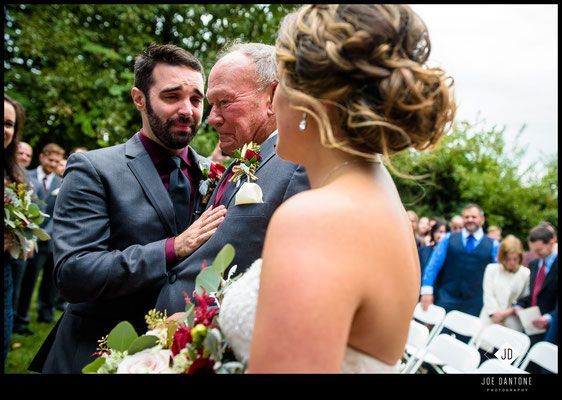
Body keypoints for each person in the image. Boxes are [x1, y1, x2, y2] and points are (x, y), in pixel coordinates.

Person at [215, 4, 456, 372]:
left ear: (310, 97)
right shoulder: (378, 193)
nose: (274, 99)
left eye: (281, 83)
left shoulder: (320, 218)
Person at [30, 43, 227, 373]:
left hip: (180, 351)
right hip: (95, 351)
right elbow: (74, 273)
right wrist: (172, 248)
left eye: (195, 99)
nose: (187, 110)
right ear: (139, 98)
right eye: (171, 96)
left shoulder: (216, 173)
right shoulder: (93, 168)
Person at [156, 42, 310, 314]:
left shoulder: (298, 167)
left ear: (272, 98)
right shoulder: (243, 160)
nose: (212, 118)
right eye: (211, 104)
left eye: (224, 102)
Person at [421, 203, 500, 316]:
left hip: (475, 303)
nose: (470, 220)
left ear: (482, 219)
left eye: (473, 217)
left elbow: (496, 276)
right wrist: (426, 291)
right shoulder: (449, 238)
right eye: (466, 217)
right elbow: (433, 265)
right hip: (446, 298)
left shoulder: (494, 245)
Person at [4, 94, 34, 370]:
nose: (5, 129)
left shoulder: (15, 176)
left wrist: (25, 236)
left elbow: (24, 219)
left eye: (9, 124)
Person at [514, 224, 558, 346]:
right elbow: (534, 294)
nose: (536, 254)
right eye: (533, 251)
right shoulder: (534, 264)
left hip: (550, 331)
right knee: (506, 356)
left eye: (539, 250)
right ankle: (495, 365)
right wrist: (518, 305)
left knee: (531, 362)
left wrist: (549, 317)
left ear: (552, 242)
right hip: (529, 324)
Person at [478, 235, 530, 331]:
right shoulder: (492, 269)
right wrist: (495, 314)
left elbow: (525, 298)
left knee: (507, 346)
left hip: (512, 322)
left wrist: (506, 313)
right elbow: (488, 294)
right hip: (490, 318)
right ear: (502, 257)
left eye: (515, 259)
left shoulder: (526, 273)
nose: (512, 263)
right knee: (484, 344)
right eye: (508, 259)